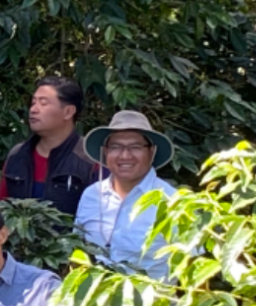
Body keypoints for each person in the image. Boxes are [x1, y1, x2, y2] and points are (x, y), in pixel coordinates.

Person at [75, 110, 178, 280]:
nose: (125, 155)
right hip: (96, 304)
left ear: (151, 152)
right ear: (105, 151)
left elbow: (192, 268)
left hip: (155, 304)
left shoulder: (173, 202)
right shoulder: (92, 195)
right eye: (116, 147)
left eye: (135, 147)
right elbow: (77, 250)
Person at [0, 77, 96, 217]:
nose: (33, 110)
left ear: (68, 112)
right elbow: (1, 209)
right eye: (33, 103)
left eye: (43, 103)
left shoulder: (89, 158)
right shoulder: (17, 155)